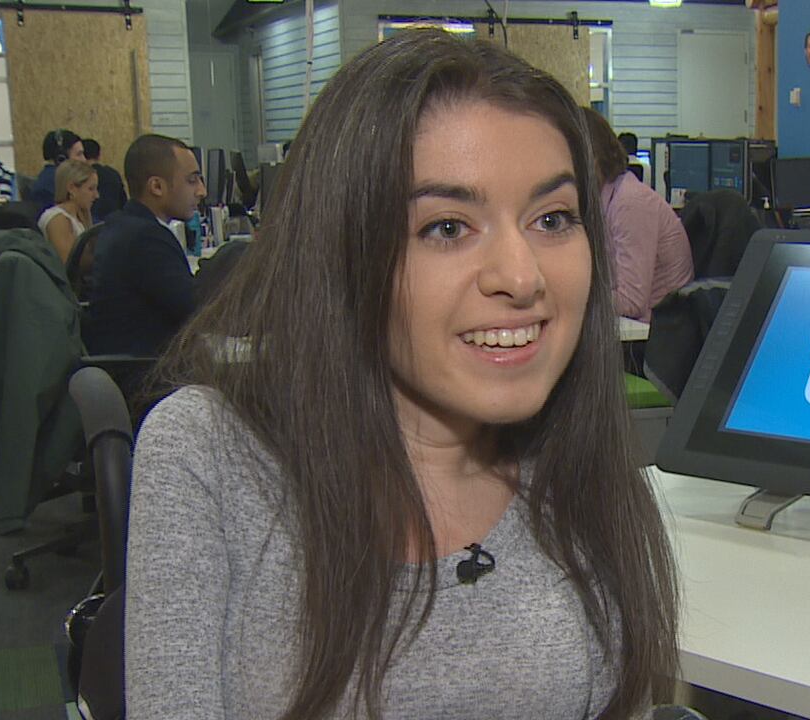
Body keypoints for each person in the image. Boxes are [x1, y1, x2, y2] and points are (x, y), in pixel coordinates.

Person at [126, 29, 679, 719]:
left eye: (552, 218)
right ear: (342, 252)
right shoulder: (209, 454)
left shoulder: (581, 470)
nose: (521, 275)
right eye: (447, 227)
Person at [83, 134, 203, 356]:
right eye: (192, 180)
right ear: (157, 186)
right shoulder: (145, 238)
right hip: (149, 377)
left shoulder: (124, 224)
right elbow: (199, 310)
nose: (201, 191)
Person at [582, 108, 693, 322]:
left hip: (658, 333)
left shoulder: (630, 203)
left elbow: (631, 300)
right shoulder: (604, 201)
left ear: (591, 159)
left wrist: (573, 296)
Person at [37, 159, 98, 262]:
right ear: (72, 188)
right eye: (91, 189)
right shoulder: (56, 220)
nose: (96, 195)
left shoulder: (81, 217)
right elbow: (69, 265)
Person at [30, 129, 86, 213]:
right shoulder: (54, 185)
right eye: (79, 154)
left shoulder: (51, 179)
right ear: (61, 159)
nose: (84, 160)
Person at [82, 138, 128, 222]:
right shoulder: (113, 174)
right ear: (99, 155)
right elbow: (123, 203)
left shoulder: (80, 176)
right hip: (114, 224)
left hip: (90, 227)